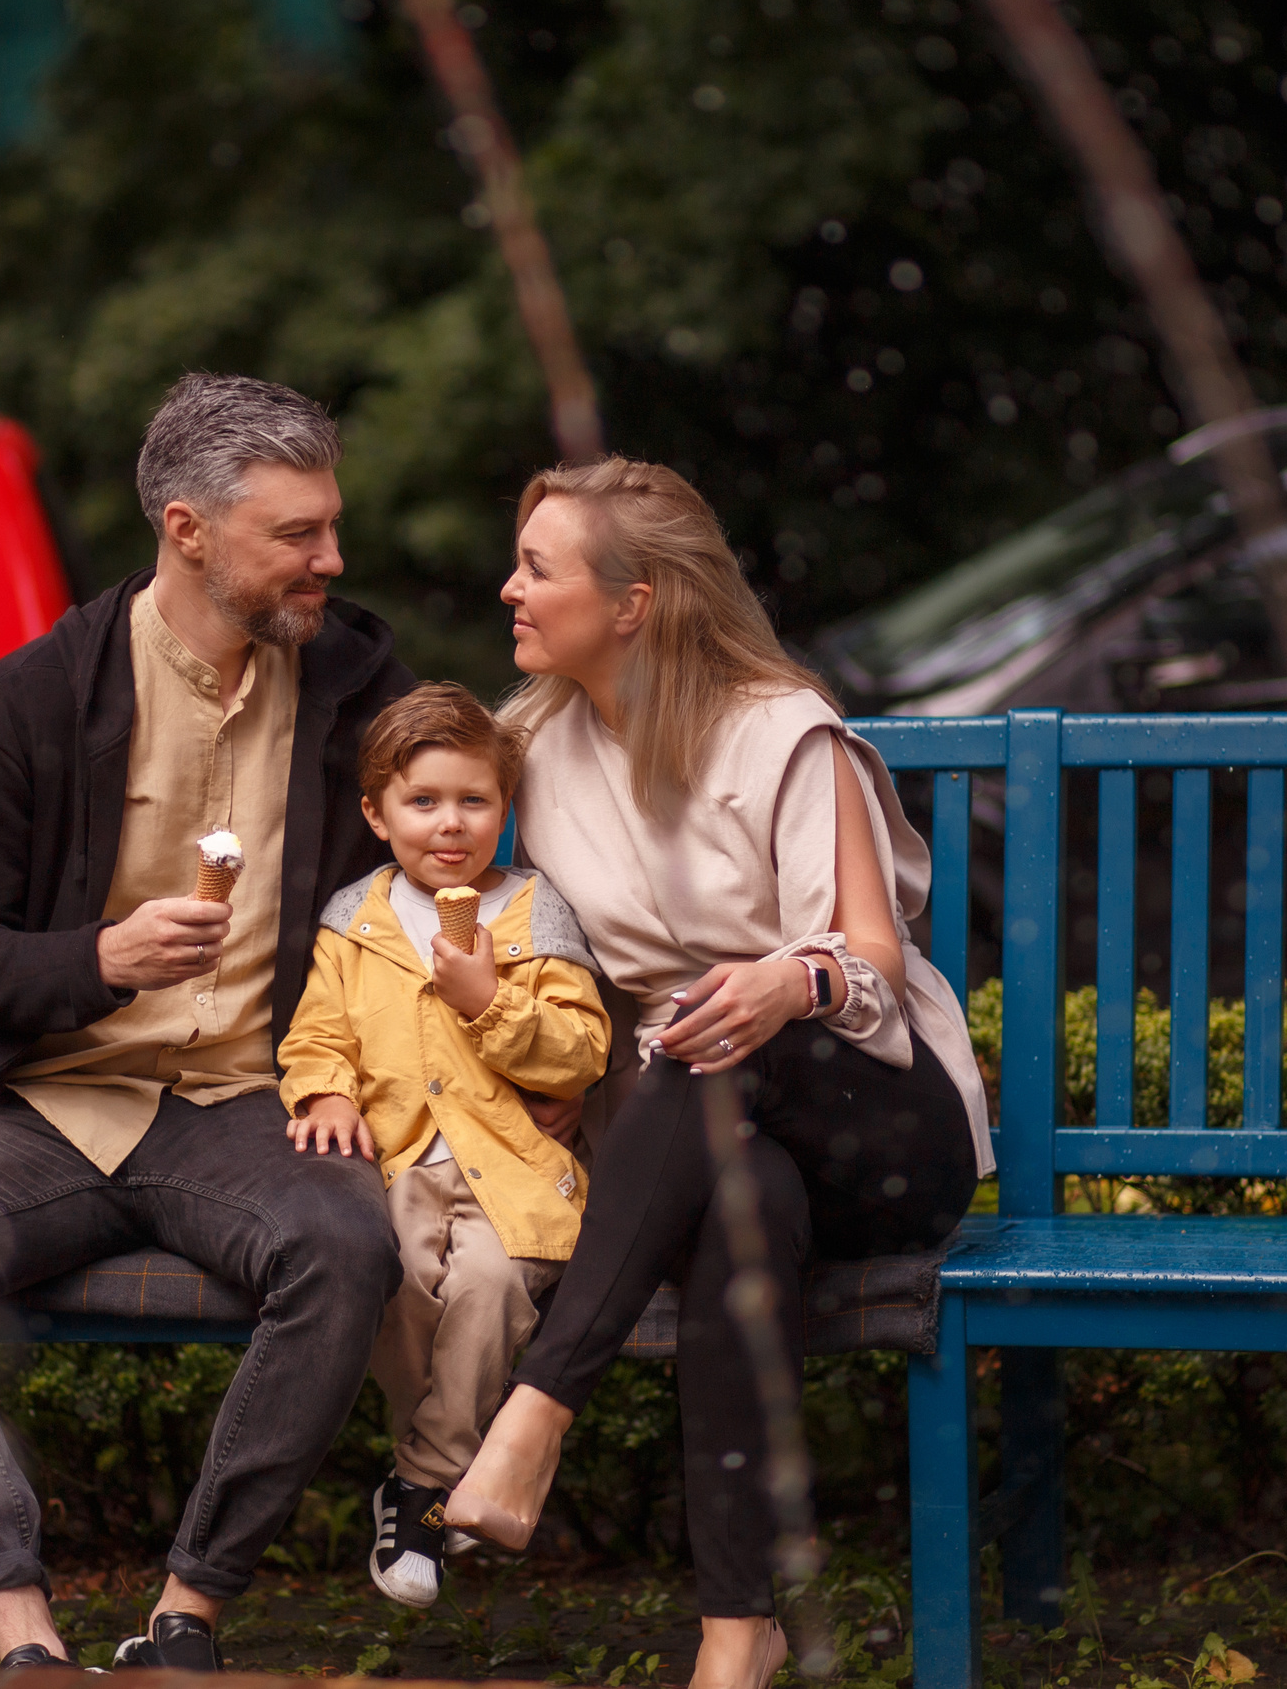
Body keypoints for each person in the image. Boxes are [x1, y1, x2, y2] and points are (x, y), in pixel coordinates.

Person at [0, 373, 416, 1673]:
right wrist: (100, 956)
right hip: (55, 1103)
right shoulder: (37, 697)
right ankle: (21, 1632)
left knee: (345, 1243)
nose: (332, 557)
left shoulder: (360, 680)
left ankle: (186, 1614)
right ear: (188, 530)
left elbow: (449, 866)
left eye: (331, 525)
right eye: (297, 533)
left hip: (254, 1104)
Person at [441, 458, 996, 1689]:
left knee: (719, 1038)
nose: (508, 590)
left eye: (536, 569)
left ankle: (536, 1412)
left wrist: (785, 985)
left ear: (631, 604)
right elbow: (494, 897)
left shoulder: (782, 731)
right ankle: (737, 1636)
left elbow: (869, 954)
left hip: (869, 1109)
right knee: (748, 1200)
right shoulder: (535, 742)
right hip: (702, 1135)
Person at [275, 682, 612, 1609]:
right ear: (376, 814)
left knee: (493, 1285)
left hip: (510, 1164)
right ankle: (454, 1471)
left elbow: (582, 1049)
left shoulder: (535, 912)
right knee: (395, 1281)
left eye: (475, 799)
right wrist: (326, 1089)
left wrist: (488, 1001)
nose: (451, 823)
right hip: (394, 1159)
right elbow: (316, 1034)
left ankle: (419, 1485)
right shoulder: (357, 920)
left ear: (506, 809)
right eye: (423, 801)